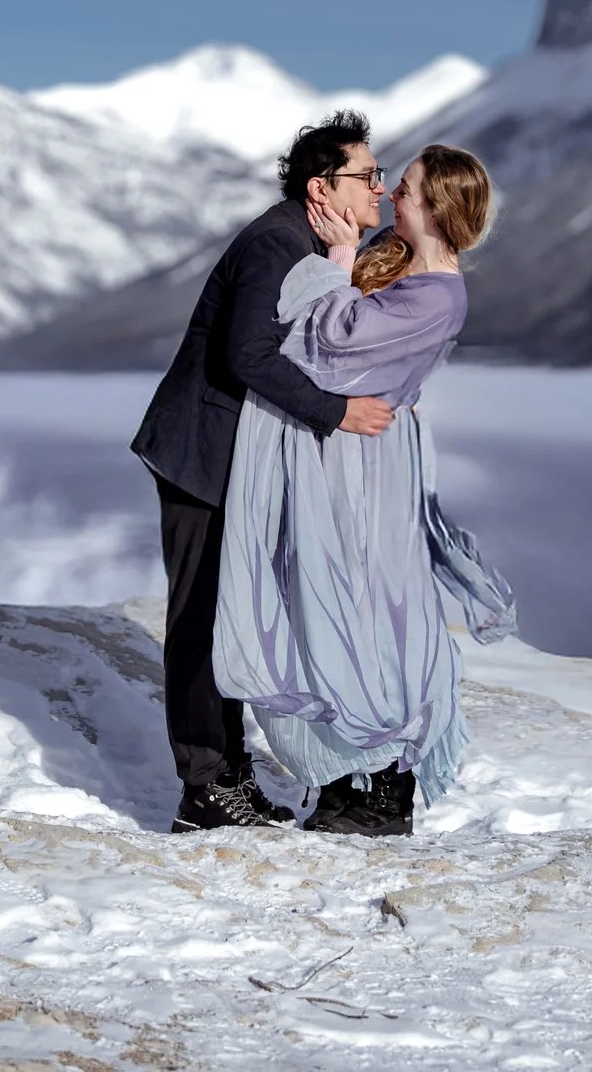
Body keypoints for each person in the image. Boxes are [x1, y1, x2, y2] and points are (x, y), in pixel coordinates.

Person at [214, 143, 516, 837]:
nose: (389, 196)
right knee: (338, 607)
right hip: (343, 460)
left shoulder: (439, 295)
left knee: (371, 611)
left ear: (439, 206)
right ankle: (353, 779)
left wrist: (341, 259)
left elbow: (331, 341)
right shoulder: (401, 260)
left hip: (366, 472)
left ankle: (384, 789)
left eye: (405, 189)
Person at [130, 111, 396, 832]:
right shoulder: (276, 243)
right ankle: (205, 789)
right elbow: (246, 356)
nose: (382, 186)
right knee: (198, 621)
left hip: (230, 460)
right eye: (368, 175)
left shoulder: (305, 240)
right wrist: (336, 412)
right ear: (323, 185)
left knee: (230, 617)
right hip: (201, 456)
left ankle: (229, 773)